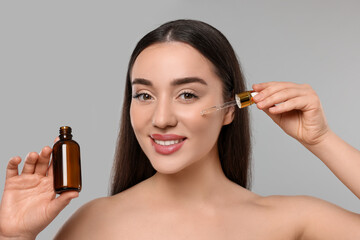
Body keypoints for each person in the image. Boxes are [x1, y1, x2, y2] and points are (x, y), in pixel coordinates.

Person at [0, 19, 359, 240]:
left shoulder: (290, 221)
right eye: (143, 94)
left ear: (232, 108)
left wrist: (321, 140)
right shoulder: (95, 223)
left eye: (187, 94)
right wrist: (14, 236)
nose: (161, 118)